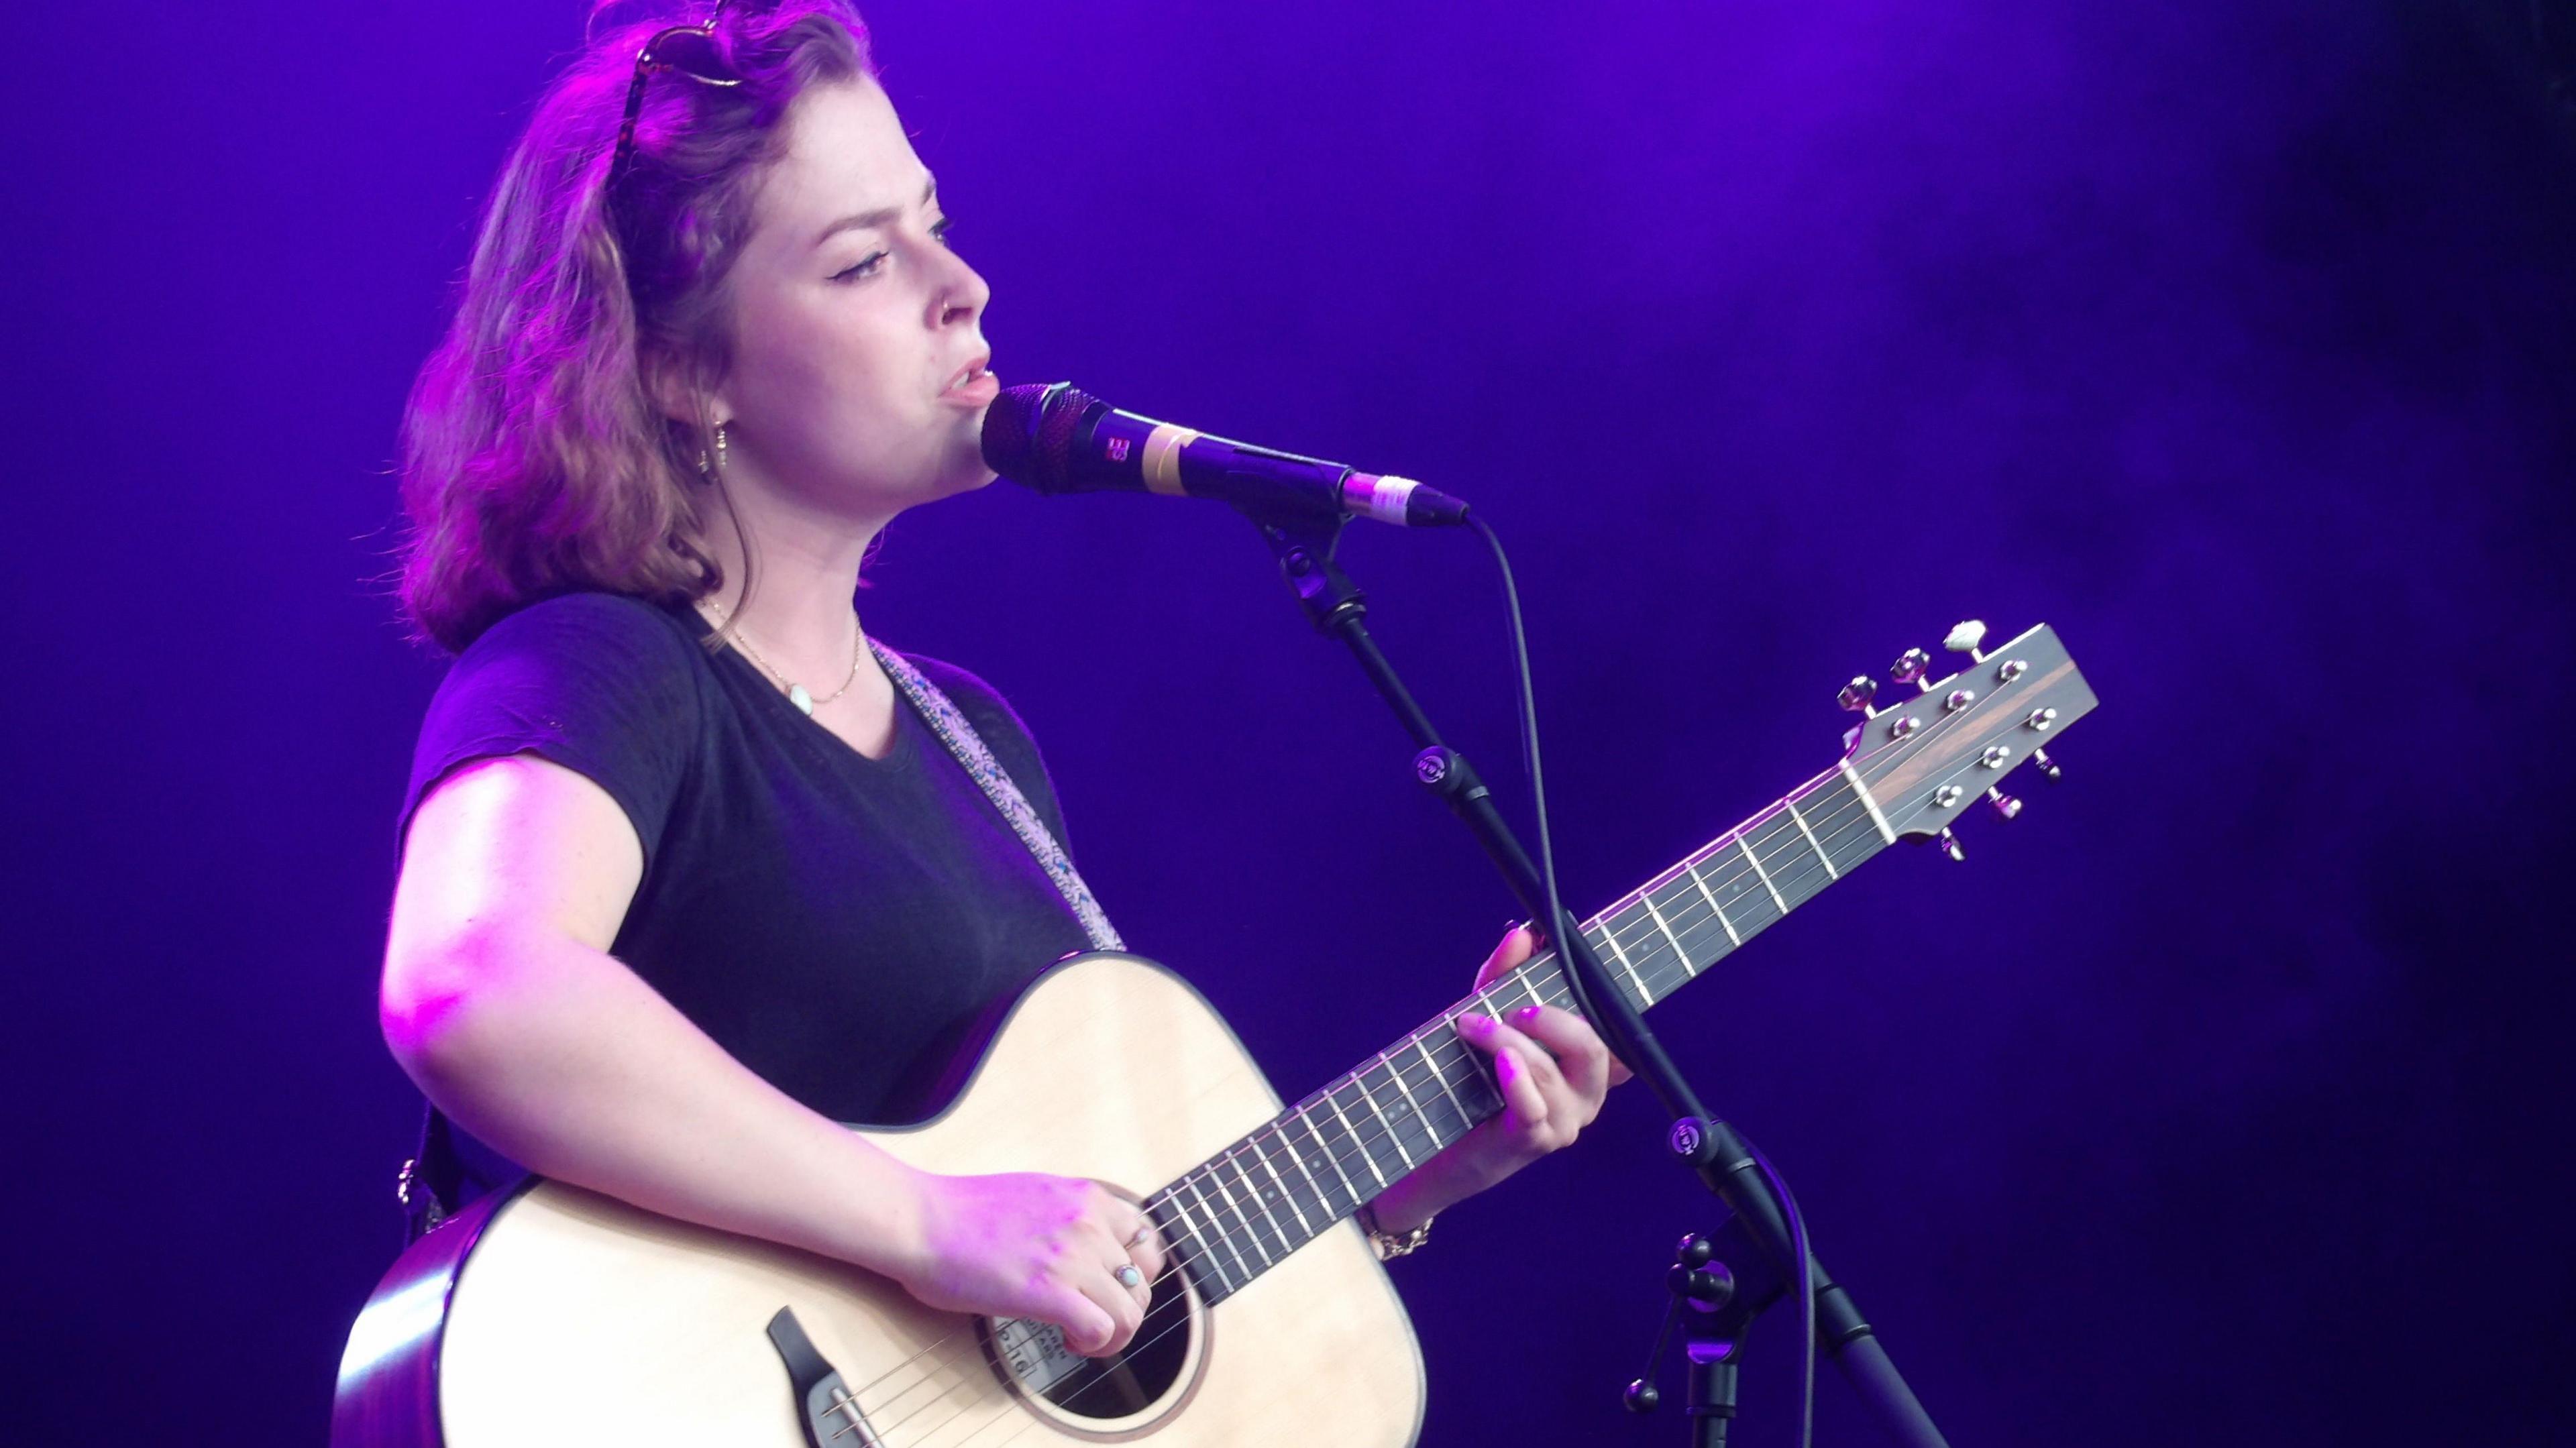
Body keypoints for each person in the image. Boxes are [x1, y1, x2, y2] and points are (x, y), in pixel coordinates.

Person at [380, 0, 1619, 1363]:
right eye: (862, 262)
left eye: (934, 220)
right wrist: (926, 1224)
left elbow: (1062, 1295)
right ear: (684, 373)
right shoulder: (600, 662)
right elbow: (475, 989)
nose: (958, 285)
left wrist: (1409, 1183)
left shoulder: (971, 739)